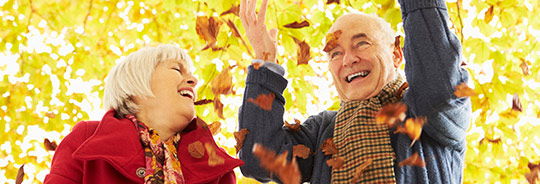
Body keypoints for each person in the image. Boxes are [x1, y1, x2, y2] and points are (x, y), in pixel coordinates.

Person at [237, 0, 471, 183]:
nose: (348, 59)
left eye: (362, 44)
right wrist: (264, 64)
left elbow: (437, 87)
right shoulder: (322, 131)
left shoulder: (426, 113)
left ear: (397, 54)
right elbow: (259, 158)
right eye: (335, 53)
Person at [44, 44, 244, 184]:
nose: (193, 80)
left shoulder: (217, 166)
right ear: (136, 86)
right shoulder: (86, 139)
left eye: (190, 74)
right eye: (177, 69)